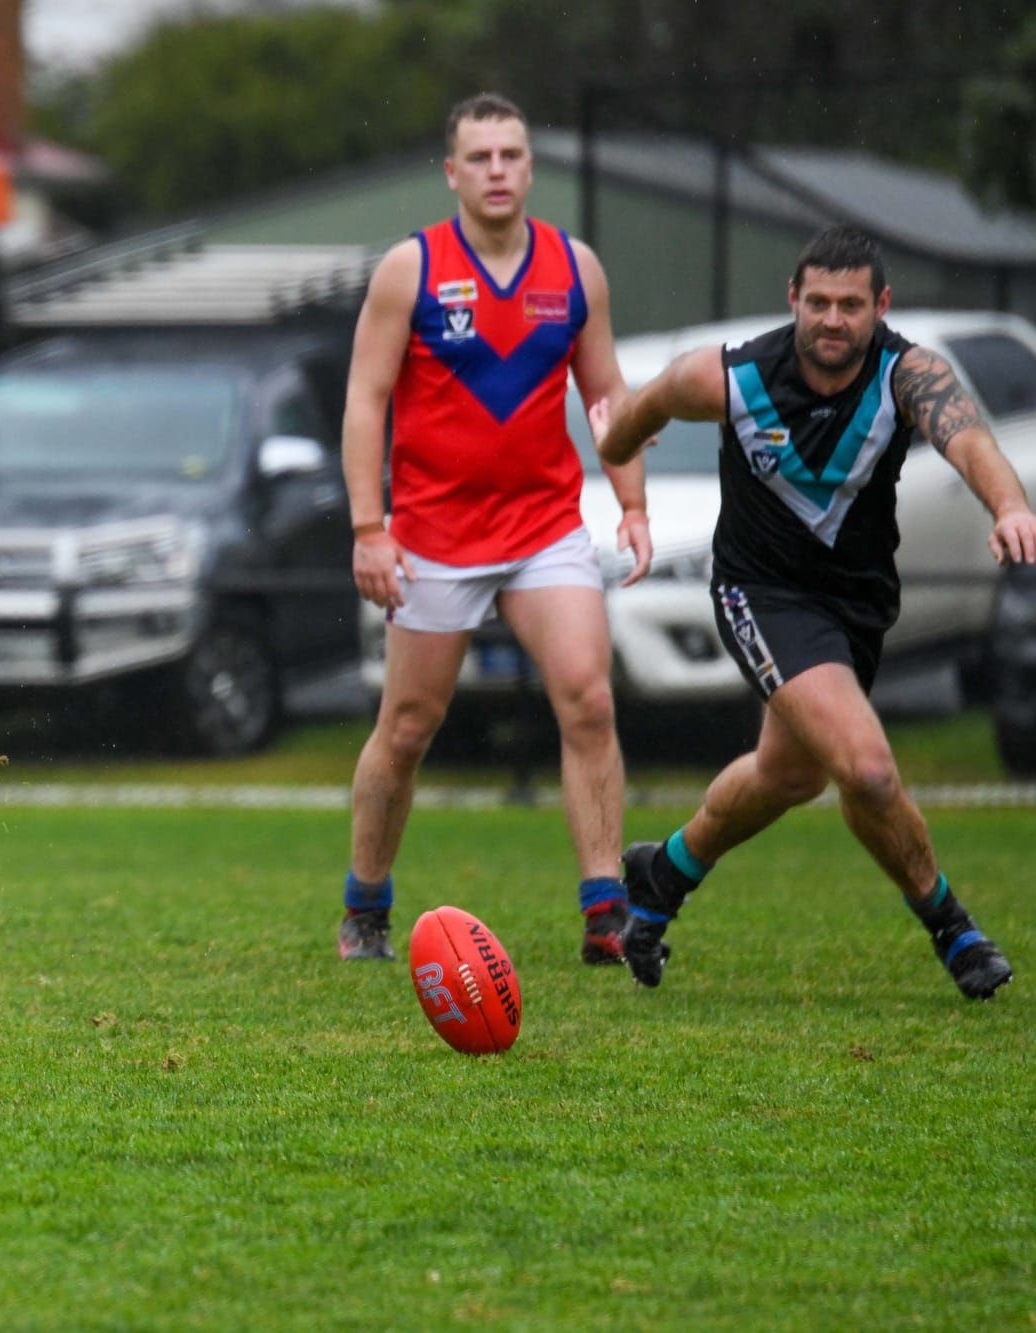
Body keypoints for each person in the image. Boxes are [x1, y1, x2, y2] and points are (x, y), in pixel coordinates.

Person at [591, 224, 1030, 999]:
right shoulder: (730, 377)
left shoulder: (906, 374)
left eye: (850, 305)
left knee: (787, 774)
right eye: (818, 302)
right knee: (866, 768)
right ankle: (953, 927)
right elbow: (637, 411)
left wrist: (1009, 506)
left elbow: (968, 439)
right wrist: (622, 450)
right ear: (792, 298)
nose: (832, 319)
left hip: (854, 606)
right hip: (759, 593)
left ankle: (662, 875)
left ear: (880, 306)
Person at [337, 92, 653, 964]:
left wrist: (631, 504)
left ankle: (605, 912)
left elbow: (607, 396)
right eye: (479, 157)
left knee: (589, 697)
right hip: (434, 537)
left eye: (511, 154)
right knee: (408, 727)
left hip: (546, 527)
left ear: (531, 166)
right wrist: (369, 527)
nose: (497, 170)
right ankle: (365, 905)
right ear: (451, 172)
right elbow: (365, 401)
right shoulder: (410, 269)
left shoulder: (575, 268)